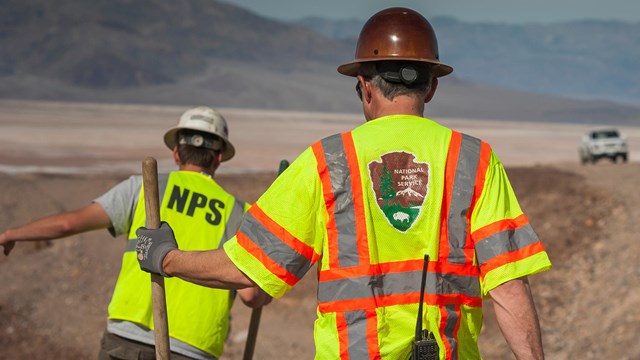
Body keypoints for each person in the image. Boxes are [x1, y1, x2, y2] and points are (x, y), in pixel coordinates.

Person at [134, 8, 552, 360]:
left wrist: (166, 258)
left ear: (365, 87)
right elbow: (509, 286)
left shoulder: (326, 162)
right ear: (432, 85)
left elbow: (247, 268)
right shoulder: (475, 161)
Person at [0, 106, 270, 360]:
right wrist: (268, 291)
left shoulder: (143, 188)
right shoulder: (239, 213)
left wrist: (12, 233)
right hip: (192, 348)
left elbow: (68, 224)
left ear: (177, 152)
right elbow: (251, 295)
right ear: (219, 157)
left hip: (125, 341)